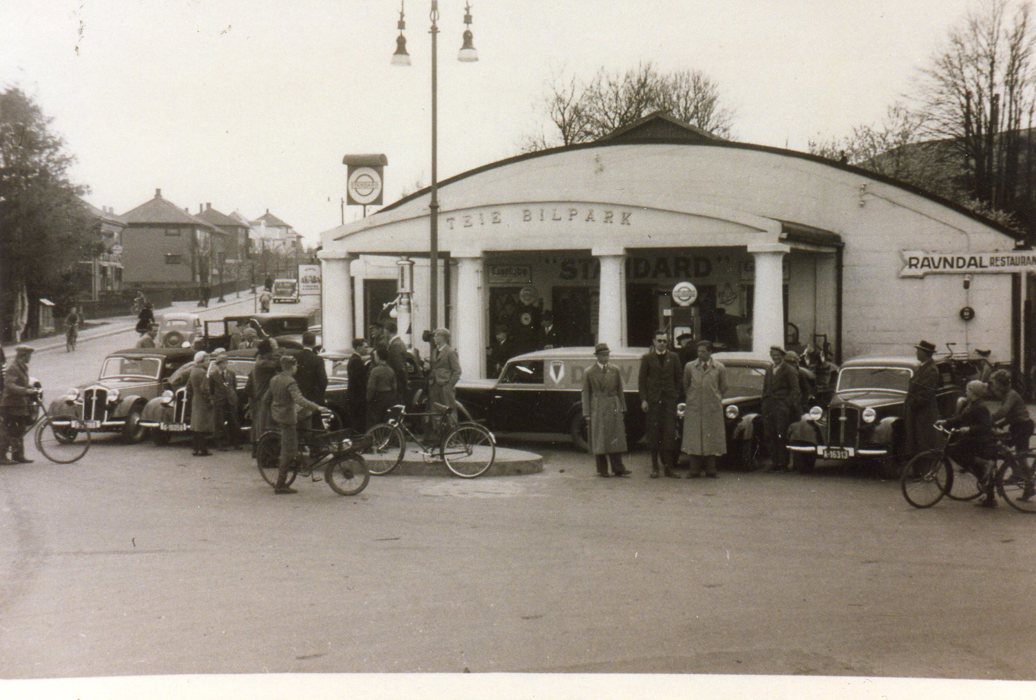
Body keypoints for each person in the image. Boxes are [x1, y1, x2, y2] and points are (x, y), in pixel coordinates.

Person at [263, 354, 327, 494]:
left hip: (278, 416)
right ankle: (280, 484)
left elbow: (266, 399)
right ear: (292, 367)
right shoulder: (290, 381)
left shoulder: (274, 379)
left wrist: (273, 410)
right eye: (296, 365)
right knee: (288, 451)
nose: (297, 367)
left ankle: (299, 457)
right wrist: (317, 407)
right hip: (288, 418)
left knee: (292, 443)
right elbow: (299, 399)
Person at [943, 380, 998, 507]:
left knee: (955, 452)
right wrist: (945, 421)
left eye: (967, 390)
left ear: (973, 392)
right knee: (972, 465)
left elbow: (986, 426)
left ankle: (985, 464)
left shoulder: (980, 407)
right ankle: (988, 494)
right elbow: (960, 418)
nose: (966, 392)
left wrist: (969, 429)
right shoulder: (972, 404)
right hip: (970, 439)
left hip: (978, 440)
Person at [581, 343, 631, 477]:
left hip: (613, 405)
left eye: (607, 355)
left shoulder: (615, 370)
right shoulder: (589, 372)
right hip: (598, 406)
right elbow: (586, 393)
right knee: (600, 439)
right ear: (597, 356)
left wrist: (622, 407)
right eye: (603, 355)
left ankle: (618, 468)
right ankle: (602, 469)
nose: (605, 358)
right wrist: (587, 413)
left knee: (615, 437)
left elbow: (620, 390)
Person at [638, 330, 682, 478]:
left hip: (669, 402)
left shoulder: (674, 357)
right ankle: (655, 467)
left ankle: (668, 468)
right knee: (653, 433)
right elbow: (642, 380)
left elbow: (679, 378)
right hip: (653, 401)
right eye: (659, 340)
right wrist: (644, 399)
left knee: (669, 433)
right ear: (654, 341)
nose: (662, 343)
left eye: (664, 341)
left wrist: (675, 395)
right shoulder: (647, 358)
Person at [681, 340, 728, 478]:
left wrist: (715, 397)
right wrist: (692, 397)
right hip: (694, 407)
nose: (700, 354)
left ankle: (711, 469)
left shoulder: (719, 367)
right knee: (694, 437)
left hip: (712, 408)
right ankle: (694, 470)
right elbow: (685, 385)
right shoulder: (690, 366)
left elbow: (723, 387)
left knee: (711, 437)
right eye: (698, 351)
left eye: (703, 351)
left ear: (710, 352)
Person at [761, 345, 800, 472]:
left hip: (781, 406)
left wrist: (786, 403)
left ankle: (783, 463)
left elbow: (795, 390)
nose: (775, 357)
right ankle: (774, 462)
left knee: (781, 434)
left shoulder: (789, 370)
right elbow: (765, 387)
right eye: (773, 355)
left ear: (783, 356)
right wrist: (764, 401)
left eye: (778, 355)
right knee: (769, 434)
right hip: (768, 406)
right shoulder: (769, 369)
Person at [0, 345, 39, 465]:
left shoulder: (22, 367)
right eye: (29, 355)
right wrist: (26, 391)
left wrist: (30, 388)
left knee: (21, 429)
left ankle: (18, 455)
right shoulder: (13, 368)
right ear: (23, 356)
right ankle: (1, 455)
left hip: (19, 404)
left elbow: (21, 383)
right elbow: (9, 385)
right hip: (10, 404)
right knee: (9, 430)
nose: (30, 358)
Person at [905, 339, 941, 456]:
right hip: (919, 412)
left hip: (924, 413)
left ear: (925, 353)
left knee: (923, 441)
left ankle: (924, 465)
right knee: (917, 440)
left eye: (919, 351)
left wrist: (912, 405)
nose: (916, 353)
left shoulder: (931, 370)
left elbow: (925, 393)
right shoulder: (923, 367)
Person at [244, 339, 280, 457]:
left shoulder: (260, 360)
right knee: (264, 425)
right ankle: (263, 453)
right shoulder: (263, 363)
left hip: (259, 397)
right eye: (274, 346)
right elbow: (278, 363)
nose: (276, 348)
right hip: (263, 398)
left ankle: (258, 450)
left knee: (259, 425)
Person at [429, 328, 462, 428]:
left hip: (445, 385)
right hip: (434, 385)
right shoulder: (435, 351)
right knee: (436, 410)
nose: (434, 338)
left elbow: (457, 371)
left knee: (449, 410)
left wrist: (449, 385)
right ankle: (438, 433)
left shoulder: (450, 352)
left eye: (435, 336)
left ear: (442, 337)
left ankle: (452, 434)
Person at [295, 331, 328, 426]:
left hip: (297, 398)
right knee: (314, 426)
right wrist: (317, 396)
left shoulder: (296, 357)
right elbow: (323, 381)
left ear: (302, 342)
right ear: (314, 343)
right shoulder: (318, 359)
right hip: (313, 399)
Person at [209, 351, 240, 450]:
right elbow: (211, 389)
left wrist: (233, 397)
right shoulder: (213, 375)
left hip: (231, 400)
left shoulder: (231, 374)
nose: (224, 365)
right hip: (219, 400)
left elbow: (234, 386)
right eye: (221, 363)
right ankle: (220, 443)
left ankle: (235, 443)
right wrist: (213, 399)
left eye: (225, 362)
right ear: (218, 364)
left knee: (234, 421)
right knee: (219, 422)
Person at [187, 351, 214, 457]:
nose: (208, 362)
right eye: (207, 359)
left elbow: (188, 387)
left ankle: (195, 448)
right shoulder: (203, 373)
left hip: (196, 400)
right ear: (202, 361)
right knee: (202, 426)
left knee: (196, 426)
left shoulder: (193, 371)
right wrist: (210, 400)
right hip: (202, 402)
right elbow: (205, 389)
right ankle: (203, 449)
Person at [366, 347, 398, 427]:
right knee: (387, 420)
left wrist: (368, 399)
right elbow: (394, 387)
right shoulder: (390, 370)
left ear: (379, 357)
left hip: (378, 398)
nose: (375, 358)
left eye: (375, 356)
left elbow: (371, 387)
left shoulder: (375, 371)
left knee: (376, 421)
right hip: (389, 397)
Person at [346, 338, 370, 433]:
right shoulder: (356, 361)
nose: (367, 349)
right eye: (365, 347)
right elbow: (358, 381)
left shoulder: (355, 359)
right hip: (357, 397)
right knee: (358, 421)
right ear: (358, 348)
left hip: (355, 396)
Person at [384, 321, 409, 406]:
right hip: (399, 381)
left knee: (397, 405)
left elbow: (398, 366)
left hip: (397, 382)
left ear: (387, 331)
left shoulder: (395, 345)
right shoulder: (398, 343)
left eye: (384, 331)